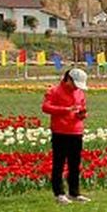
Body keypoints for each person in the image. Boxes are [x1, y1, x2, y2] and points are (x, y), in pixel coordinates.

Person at [41, 66, 89, 203]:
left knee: (75, 164)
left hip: (76, 131)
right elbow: (45, 107)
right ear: (68, 79)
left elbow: (83, 107)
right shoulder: (54, 91)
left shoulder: (80, 93)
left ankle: (74, 192)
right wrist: (65, 110)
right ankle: (59, 193)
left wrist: (82, 115)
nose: (76, 88)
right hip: (60, 131)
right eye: (75, 84)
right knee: (59, 163)